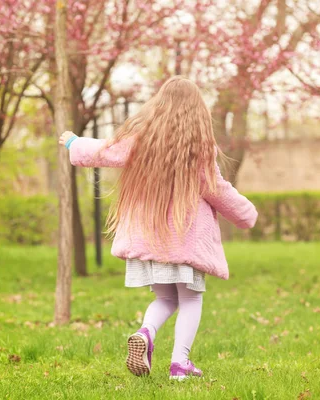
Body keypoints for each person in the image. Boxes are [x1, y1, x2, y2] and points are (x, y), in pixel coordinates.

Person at [59, 76, 257, 380]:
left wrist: (75, 143)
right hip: (185, 240)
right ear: (198, 112)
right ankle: (180, 363)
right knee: (191, 298)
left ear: (159, 106)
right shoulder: (199, 151)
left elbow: (107, 150)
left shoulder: (143, 142)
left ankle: (146, 333)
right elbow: (218, 190)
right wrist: (247, 215)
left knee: (165, 299)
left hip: (151, 238)